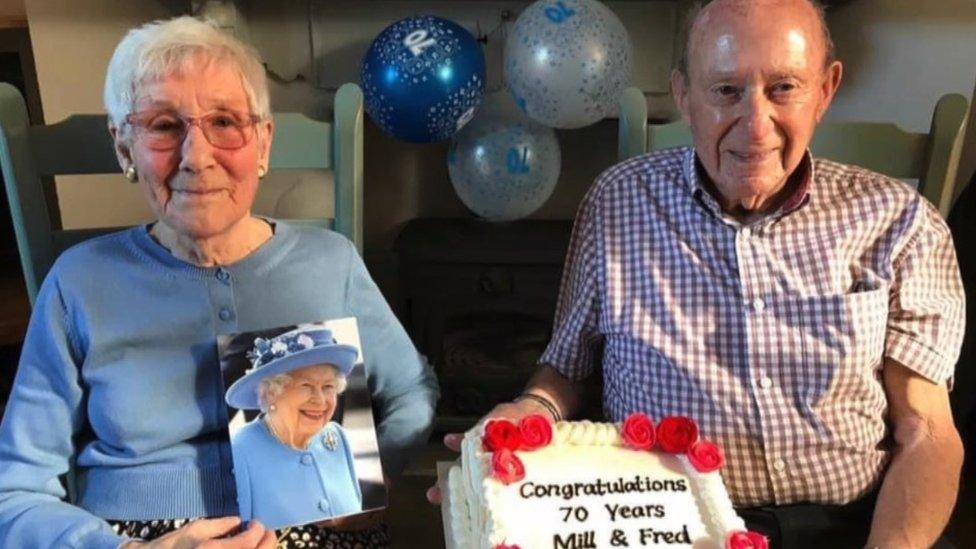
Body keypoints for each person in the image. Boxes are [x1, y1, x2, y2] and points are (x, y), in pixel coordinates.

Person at [432, 1, 965, 547]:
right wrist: (529, 411)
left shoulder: (901, 222)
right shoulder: (619, 202)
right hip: (668, 524)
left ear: (826, 89)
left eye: (783, 87)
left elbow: (926, 432)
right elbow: (565, 370)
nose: (756, 127)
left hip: (859, 523)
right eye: (726, 91)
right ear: (684, 94)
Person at [0, 15, 437, 549]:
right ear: (123, 148)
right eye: (163, 125)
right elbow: (13, 489)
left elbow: (413, 389)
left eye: (225, 122)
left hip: (316, 524)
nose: (197, 157)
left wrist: (371, 474)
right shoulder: (78, 283)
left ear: (263, 143)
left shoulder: (331, 262)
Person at [225, 327, 363, 529]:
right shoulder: (240, 451)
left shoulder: (336, 437)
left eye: (328, 387)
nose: (320, 400)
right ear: (272, 392)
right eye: (306, 385)